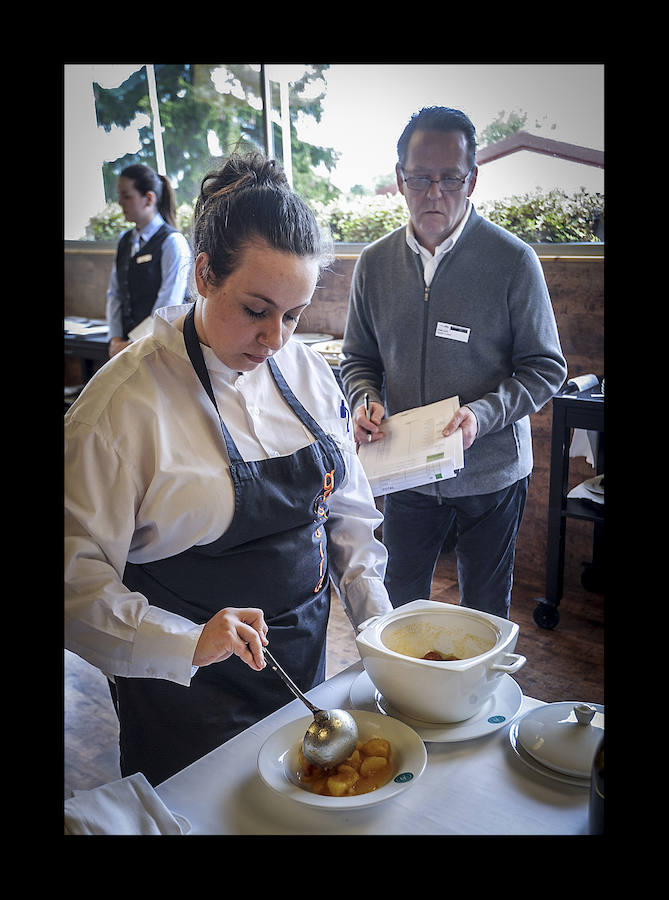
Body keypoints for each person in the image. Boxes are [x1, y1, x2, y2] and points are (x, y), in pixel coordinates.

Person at [65, 152, 392, 786]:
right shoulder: (120, 409)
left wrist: (380, 631)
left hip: (303, 673)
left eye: (292, 316)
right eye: (256, 309)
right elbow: (75, 585)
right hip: (185, 698)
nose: (275, 340)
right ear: (206, 274)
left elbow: (348, 514)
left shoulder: (309, 375)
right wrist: (186, 642)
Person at [341, 107, 567, 620]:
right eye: (420, 178)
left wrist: (482, 415)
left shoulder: (511, 260)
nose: (435, 193)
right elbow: (359, 358)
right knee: (399, 605)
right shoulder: (374, 265)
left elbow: (545, 367)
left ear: (473, 180)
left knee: (484, 612)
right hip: (405, 470)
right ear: (400, 179)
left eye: (451, 178)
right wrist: (365, 399)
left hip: (491, 472)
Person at [106, 163, 192, 358]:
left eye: (126, 196)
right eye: (119, 195)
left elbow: (168, 305)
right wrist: (115, 339)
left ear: (149, 199)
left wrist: (133, 342)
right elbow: (115, 294)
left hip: (161, 347)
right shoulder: (124, 240)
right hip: (126, 347)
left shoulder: (172, 242)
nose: (120, 202)